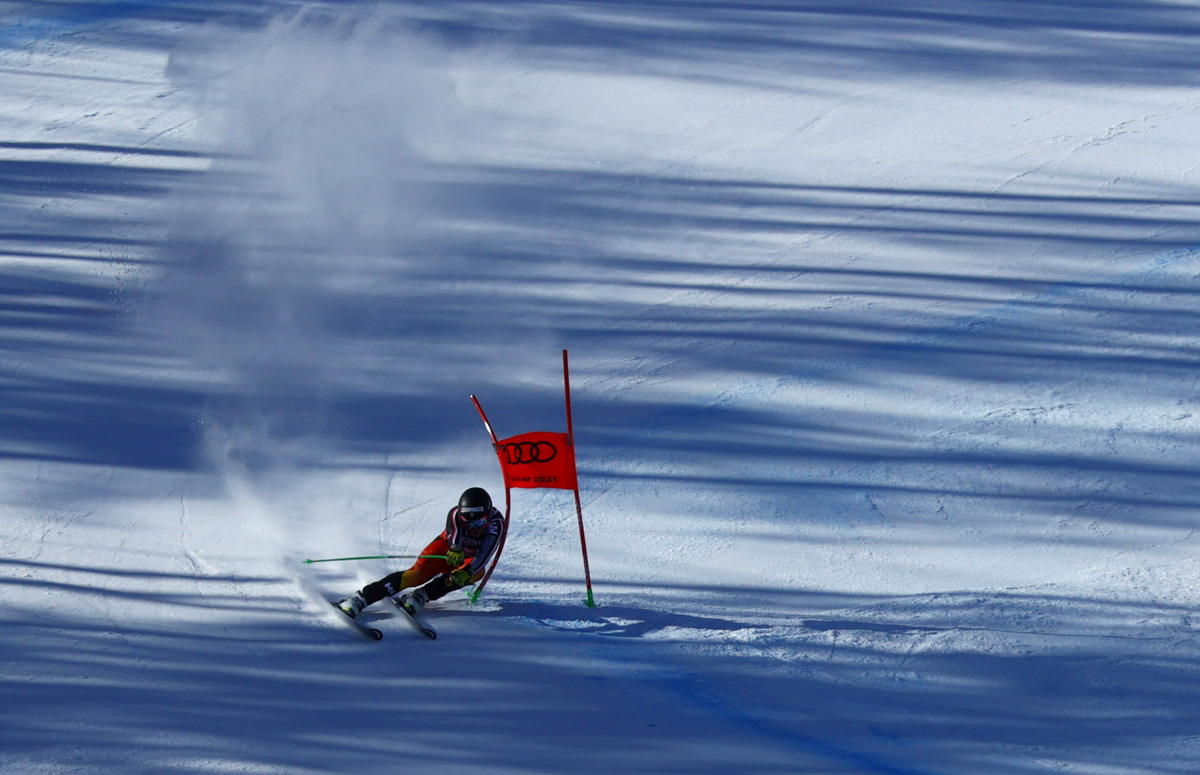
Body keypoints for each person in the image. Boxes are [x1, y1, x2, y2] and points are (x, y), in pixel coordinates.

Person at [336, 487, 504, 618]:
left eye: (479, 523)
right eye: (467, 522)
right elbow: (455, 537)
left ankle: (422, 596)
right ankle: (361, 598)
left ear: (488, 516)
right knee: (416, 575)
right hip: (446, 550)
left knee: (475, 574)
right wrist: (455, 548)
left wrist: (467, 570)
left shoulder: (496, 525)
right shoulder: (455, 514)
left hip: (469, 560)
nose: (473, 528)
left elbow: (485, 554)